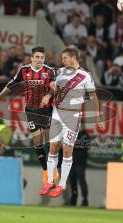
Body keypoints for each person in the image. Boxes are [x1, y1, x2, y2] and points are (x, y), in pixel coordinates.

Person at [39, 45, 104, 198]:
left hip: (73, 117)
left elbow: (94, 97)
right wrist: (49, 92)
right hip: (57, 113)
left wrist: (97, 116)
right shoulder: (59, 72)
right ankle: (49, 181)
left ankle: (61, 185)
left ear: (73, 57)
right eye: (62, 58)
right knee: (53, 146)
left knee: (67, 150)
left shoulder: (85, 76)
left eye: (65, 58)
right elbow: (50, 84)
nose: (62, 61)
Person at [0, 46, 58, 184]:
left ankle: (54, 168)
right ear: (32, 58)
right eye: (37, 57)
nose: (40, 60)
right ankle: (46, 171)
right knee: (37, 142)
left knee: (52, 142)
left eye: (42, 57)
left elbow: (54, 86)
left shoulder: (49, 71)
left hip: (46, 110)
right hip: (31, 110)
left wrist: (49, 95)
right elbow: (10, 85)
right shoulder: (24, 70)